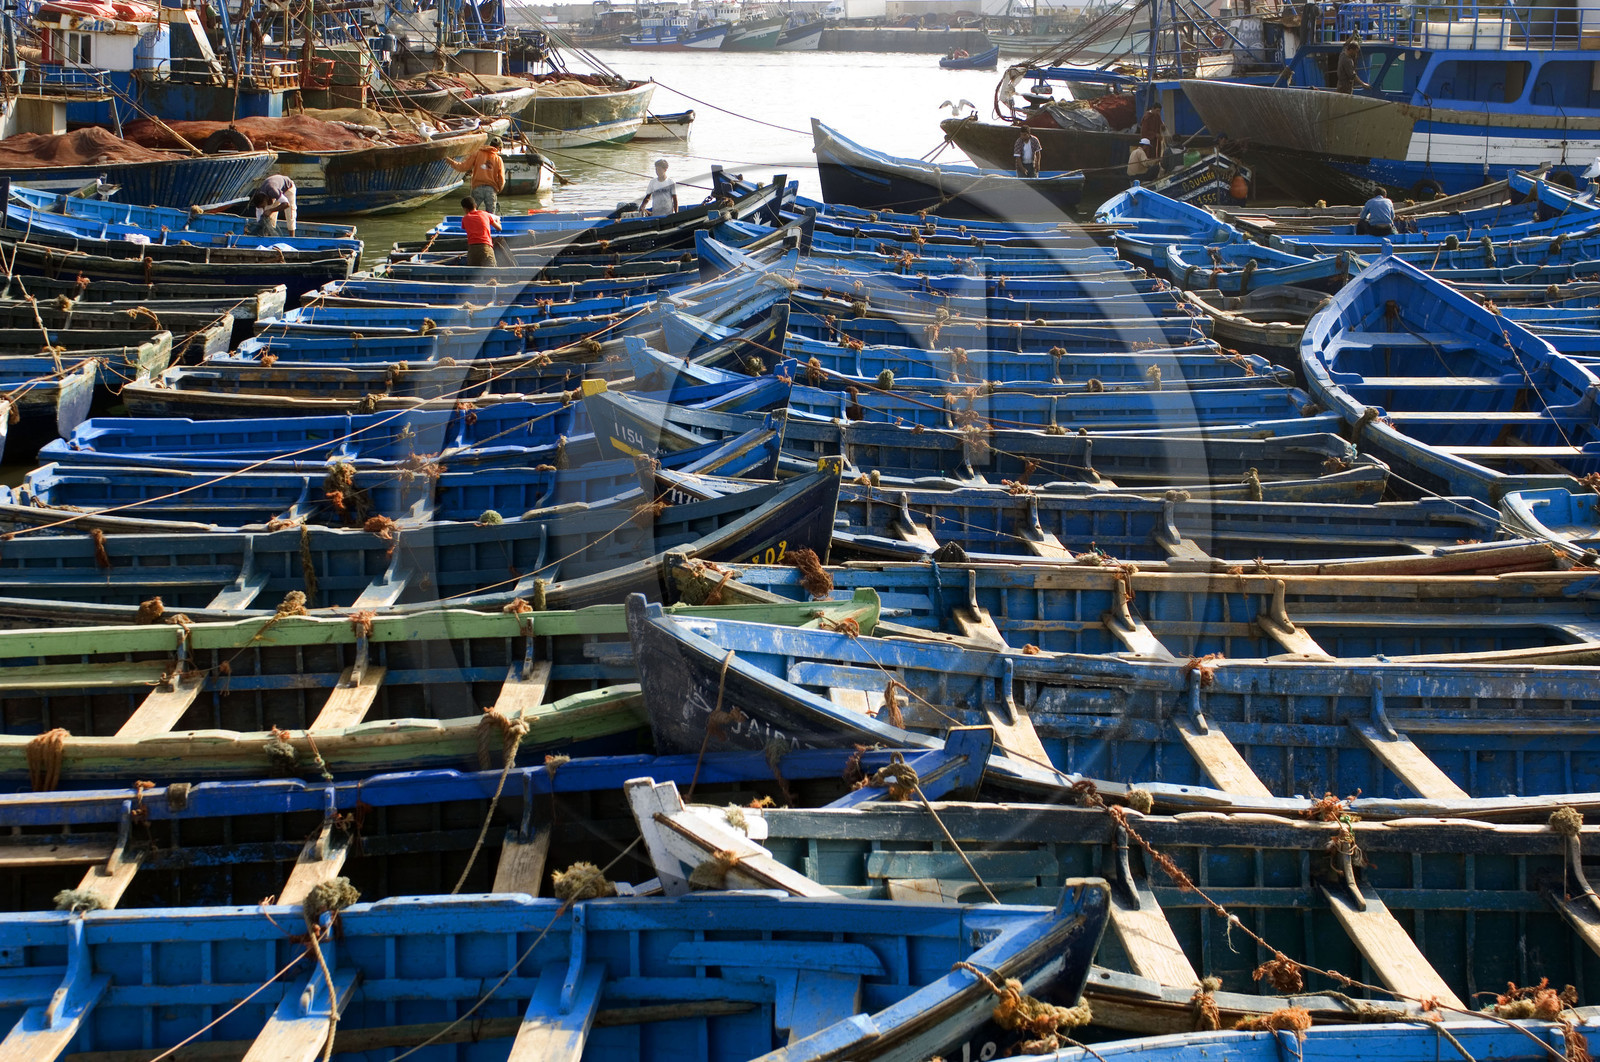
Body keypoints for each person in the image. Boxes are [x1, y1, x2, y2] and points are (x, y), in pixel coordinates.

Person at [448, 136, 506, 213]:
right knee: (491, 216)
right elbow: (501, 178)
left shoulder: (477, 153)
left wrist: (451, 162)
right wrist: (498, 189)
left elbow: (464, 167)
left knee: (471, 212)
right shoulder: (498, 159)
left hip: (477, 188)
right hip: (491, 189)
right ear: (498, 148)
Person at [459, 195, 501, 268]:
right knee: (492, 271)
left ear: (464, 209)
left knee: (472, 271)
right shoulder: (485, 214)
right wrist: (498, 221)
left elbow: (466, 228)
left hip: (472, 249)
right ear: (475, 205)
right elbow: (499, 228)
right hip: (486, 247)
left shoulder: (465, 218)